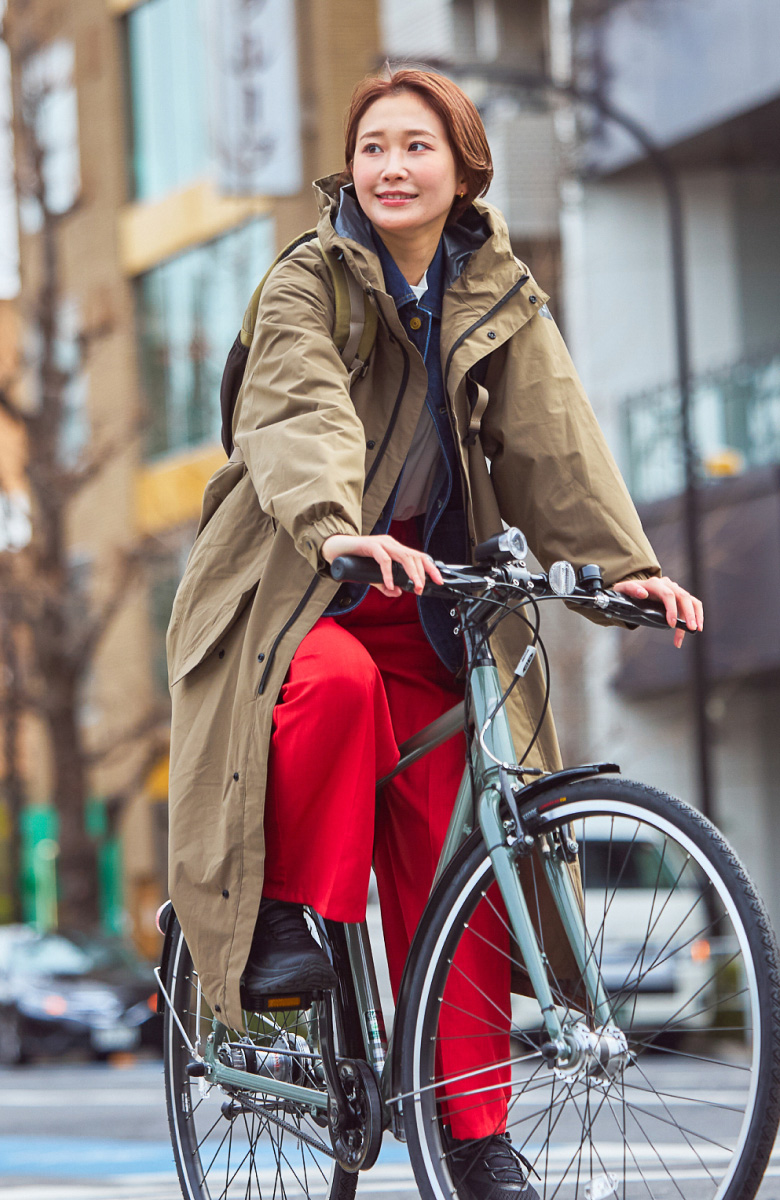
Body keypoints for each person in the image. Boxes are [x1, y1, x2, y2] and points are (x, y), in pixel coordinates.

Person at [166, 68, 702, 1200]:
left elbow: (553, 436)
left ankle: (471, 1135)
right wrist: (334, 526)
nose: (391, 168)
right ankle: (283, 922)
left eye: (416, 147)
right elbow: (296, 408)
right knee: (338, 693)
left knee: (465, 867)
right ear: (351, 169)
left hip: (435, 605)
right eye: (373, 148)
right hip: (295, 588)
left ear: (464, 170)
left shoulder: (498, 290)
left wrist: (629, 568)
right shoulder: (310, 279)